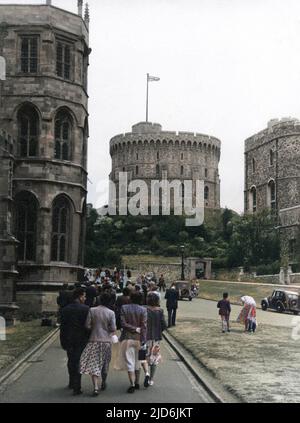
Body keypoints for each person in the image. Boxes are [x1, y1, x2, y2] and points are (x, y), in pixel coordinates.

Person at [79, 292, 117, 396]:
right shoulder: (111, 313)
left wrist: (94, 328)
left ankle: (95, 387)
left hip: (94, 339)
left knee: (94, 363)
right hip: (106, 341)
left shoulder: (92, 310)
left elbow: (87, 325)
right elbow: (113, 328)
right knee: (105, 364)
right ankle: (104, 381)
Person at [60, 288, 90, 395]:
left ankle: (71, 381)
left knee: (71, 360)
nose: (85, 298)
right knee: (78, 361)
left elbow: (62, 327)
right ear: (80, 296)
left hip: (68, 338)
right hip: (81, 339)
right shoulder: (86, 309)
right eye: (84, 296)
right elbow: (88, 326)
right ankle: (77, 386)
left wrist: (62, 341)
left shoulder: (65, 309)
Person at [119, 292, 147, 393]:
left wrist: (133, 328)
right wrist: (143, 339)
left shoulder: (124, 308)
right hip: (139, 338)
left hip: (127, 337)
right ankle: (137, 382)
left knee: (130, 362)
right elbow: (144, 326)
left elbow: (122, 323)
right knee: (138, 361)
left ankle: (132, 384)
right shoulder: (143, 310)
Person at [144, 293, 167, 387]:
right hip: (156, 338)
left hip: (145, 337)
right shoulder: (160, 311)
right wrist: (159, 331)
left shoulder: (144, 309)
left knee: (143, 357)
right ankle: (151, 379)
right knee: (154, 358)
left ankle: (146, 373)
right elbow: (164, 325)